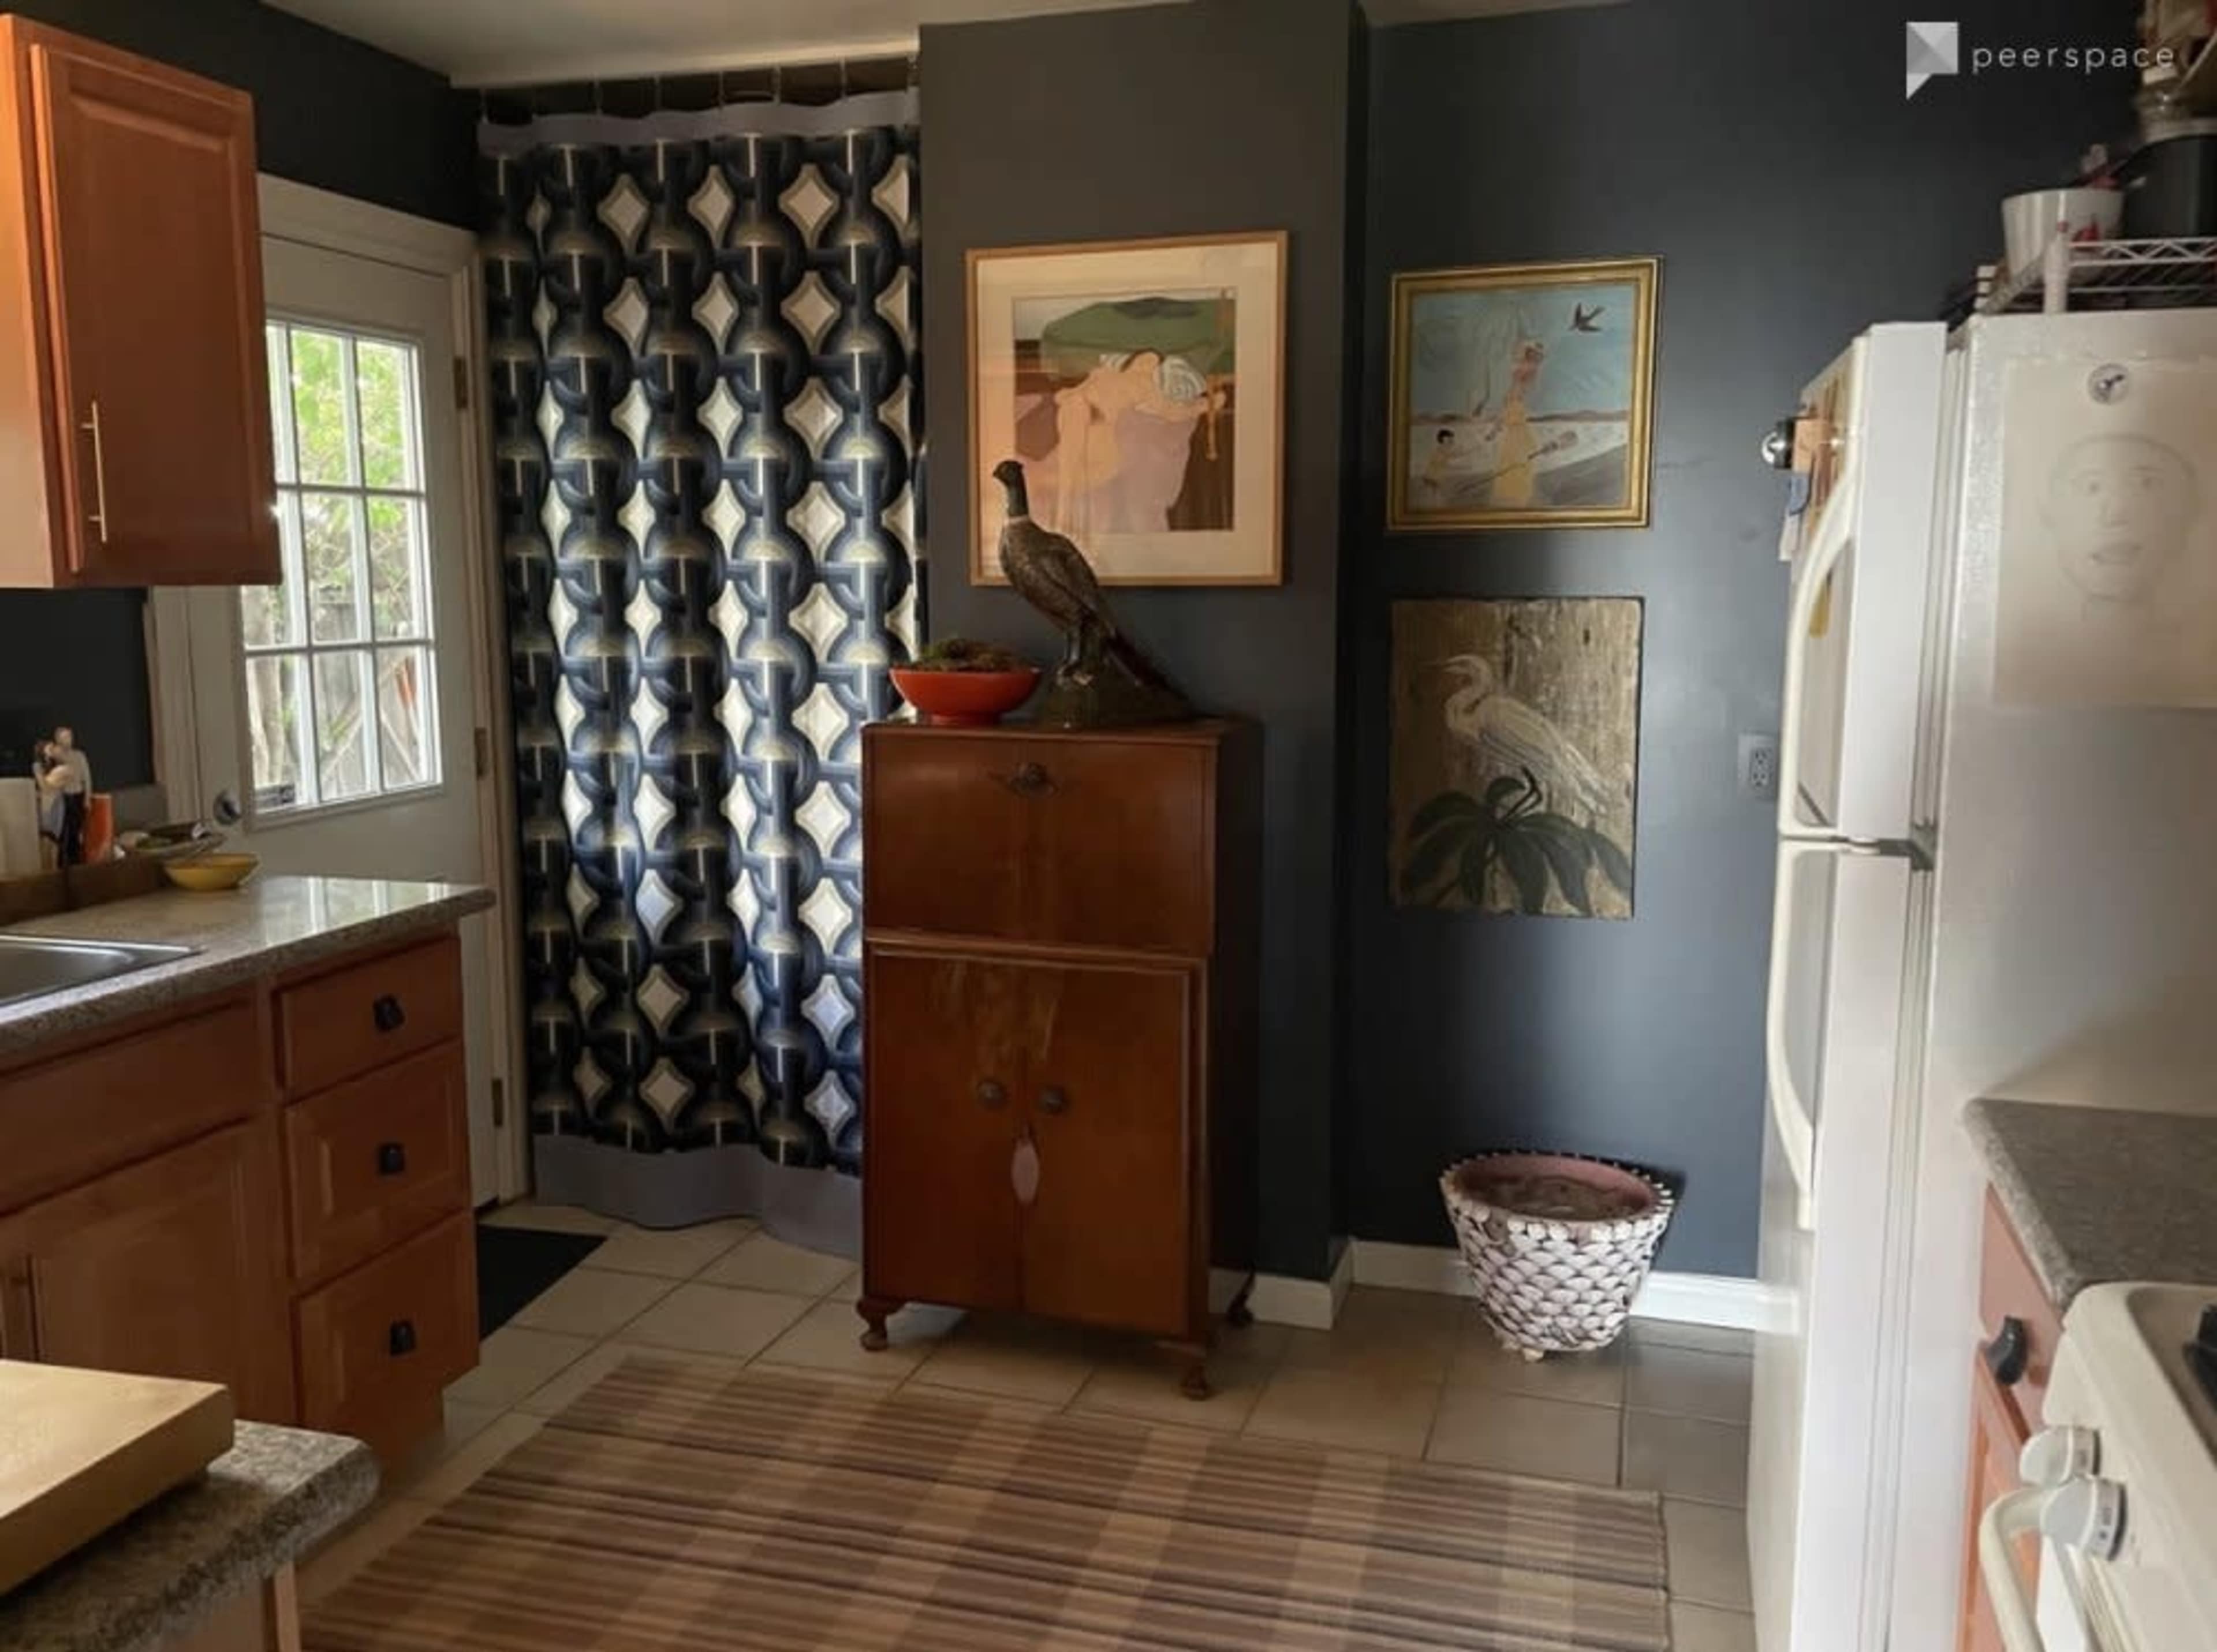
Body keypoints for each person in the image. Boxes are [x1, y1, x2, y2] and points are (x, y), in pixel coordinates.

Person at [38, 726, 91, 866]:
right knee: (63, 832)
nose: (69, 740)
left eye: (70, 736)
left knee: (76, 831)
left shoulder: (79, 756)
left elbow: (87, 778)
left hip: (77, 796)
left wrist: (87, 798)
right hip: (63, 798)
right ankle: (63, 862)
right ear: (58, 740)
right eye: (65, 737)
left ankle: (76, 860)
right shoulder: (57, 757)